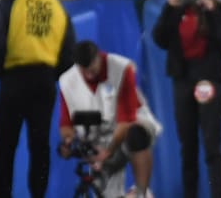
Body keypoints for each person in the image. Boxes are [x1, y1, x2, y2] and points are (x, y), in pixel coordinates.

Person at [0, 0, 76, 198]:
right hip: (44, 83)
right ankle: (38, 195)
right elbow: (69, 53)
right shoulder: (58, 8)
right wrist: (51, 75)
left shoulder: (10, 3)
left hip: (14, 79)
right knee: (39, 146)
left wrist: (0, 72)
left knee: (6, 146)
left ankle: (2, 195)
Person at [152, 0, 221, 198]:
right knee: (187, 147)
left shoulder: (218, 8)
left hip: (208, 79)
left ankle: (216, 194)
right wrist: (170, 9)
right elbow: (159, 39)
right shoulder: (175, 10)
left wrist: (211, 12)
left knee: (211, 146)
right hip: (182, 80)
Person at [58, 41, 162, 198]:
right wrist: (67, 141)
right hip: (100, 138)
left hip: (130, 126)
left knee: (136, 134)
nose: (89, 75)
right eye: (84, 71)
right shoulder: (67, 81)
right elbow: (66, 123)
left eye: (92, 69)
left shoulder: (120, 68)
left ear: (99, 57)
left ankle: (141, 192)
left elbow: (126, 121)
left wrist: (108, 152)